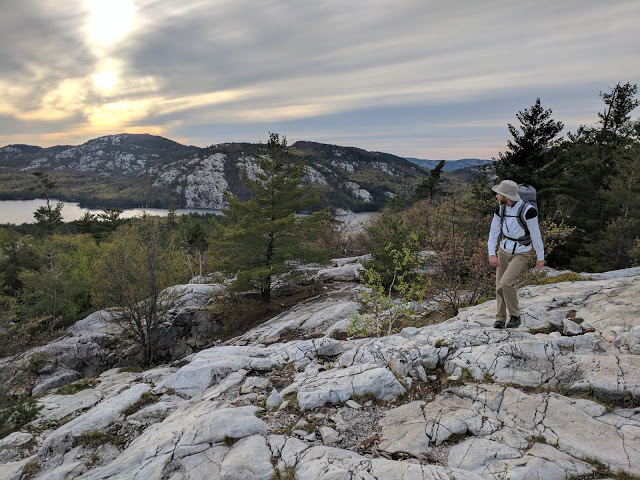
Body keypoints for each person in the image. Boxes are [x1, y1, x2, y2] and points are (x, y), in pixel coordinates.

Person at [487, 180, 544, 328]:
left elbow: (536, 235)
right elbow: (494, 231)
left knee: (506, 282)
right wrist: (491, 253)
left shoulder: (528, 211)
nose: (497, 195)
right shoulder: (501, 209)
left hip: (521, 252)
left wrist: (540, 258)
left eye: (499, 193)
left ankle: (515, 316)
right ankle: (500, 318)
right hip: (504, 251)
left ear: (506, 195)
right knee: (499, 286)